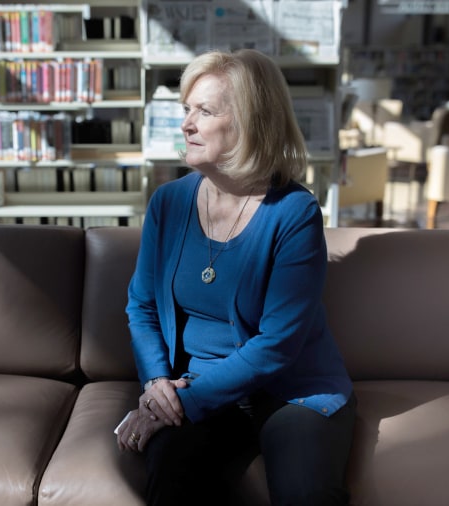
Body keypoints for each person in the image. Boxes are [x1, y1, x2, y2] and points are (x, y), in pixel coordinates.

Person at [117, 48, 356, 506]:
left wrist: (182, 403)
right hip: (192, 384)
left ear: (249, 123)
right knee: (171, 477)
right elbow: (142, 306)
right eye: (186, 110)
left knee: (308, 494)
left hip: (288, 391)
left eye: (203, 111)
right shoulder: (167, 203)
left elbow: (278, 344)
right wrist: (156, 385)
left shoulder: (294, 213)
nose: (186, 124)